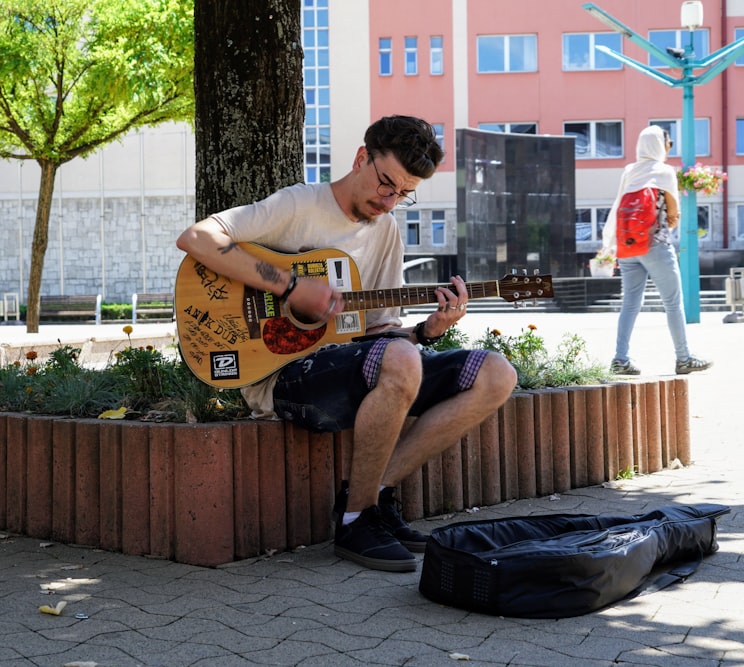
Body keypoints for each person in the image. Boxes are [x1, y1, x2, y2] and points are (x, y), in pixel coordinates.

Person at [176, 116, 517, 572]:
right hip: (280, 375)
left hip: (353, 369)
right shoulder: (300, 205)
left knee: (495, 373)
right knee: (401, 359)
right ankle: (356, 523)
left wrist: (428, 331)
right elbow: (198, 237)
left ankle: (371, 495)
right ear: (361, 158)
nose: (390, 200)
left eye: (403, 193)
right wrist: (290, 286)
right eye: (385, 183)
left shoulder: (386, 232)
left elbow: (380, 335)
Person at [600, 125, 712, 376]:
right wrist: (671, 216)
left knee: (629, 304)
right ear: (660, 145)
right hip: (655, 246)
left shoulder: (629, 170)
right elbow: (673, 214)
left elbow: (618, 203)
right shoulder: (664, 171)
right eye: (668, 143)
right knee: (673, 302)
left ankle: (620, 359)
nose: (669, 148)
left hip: (627, 248)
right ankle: (683, 357)